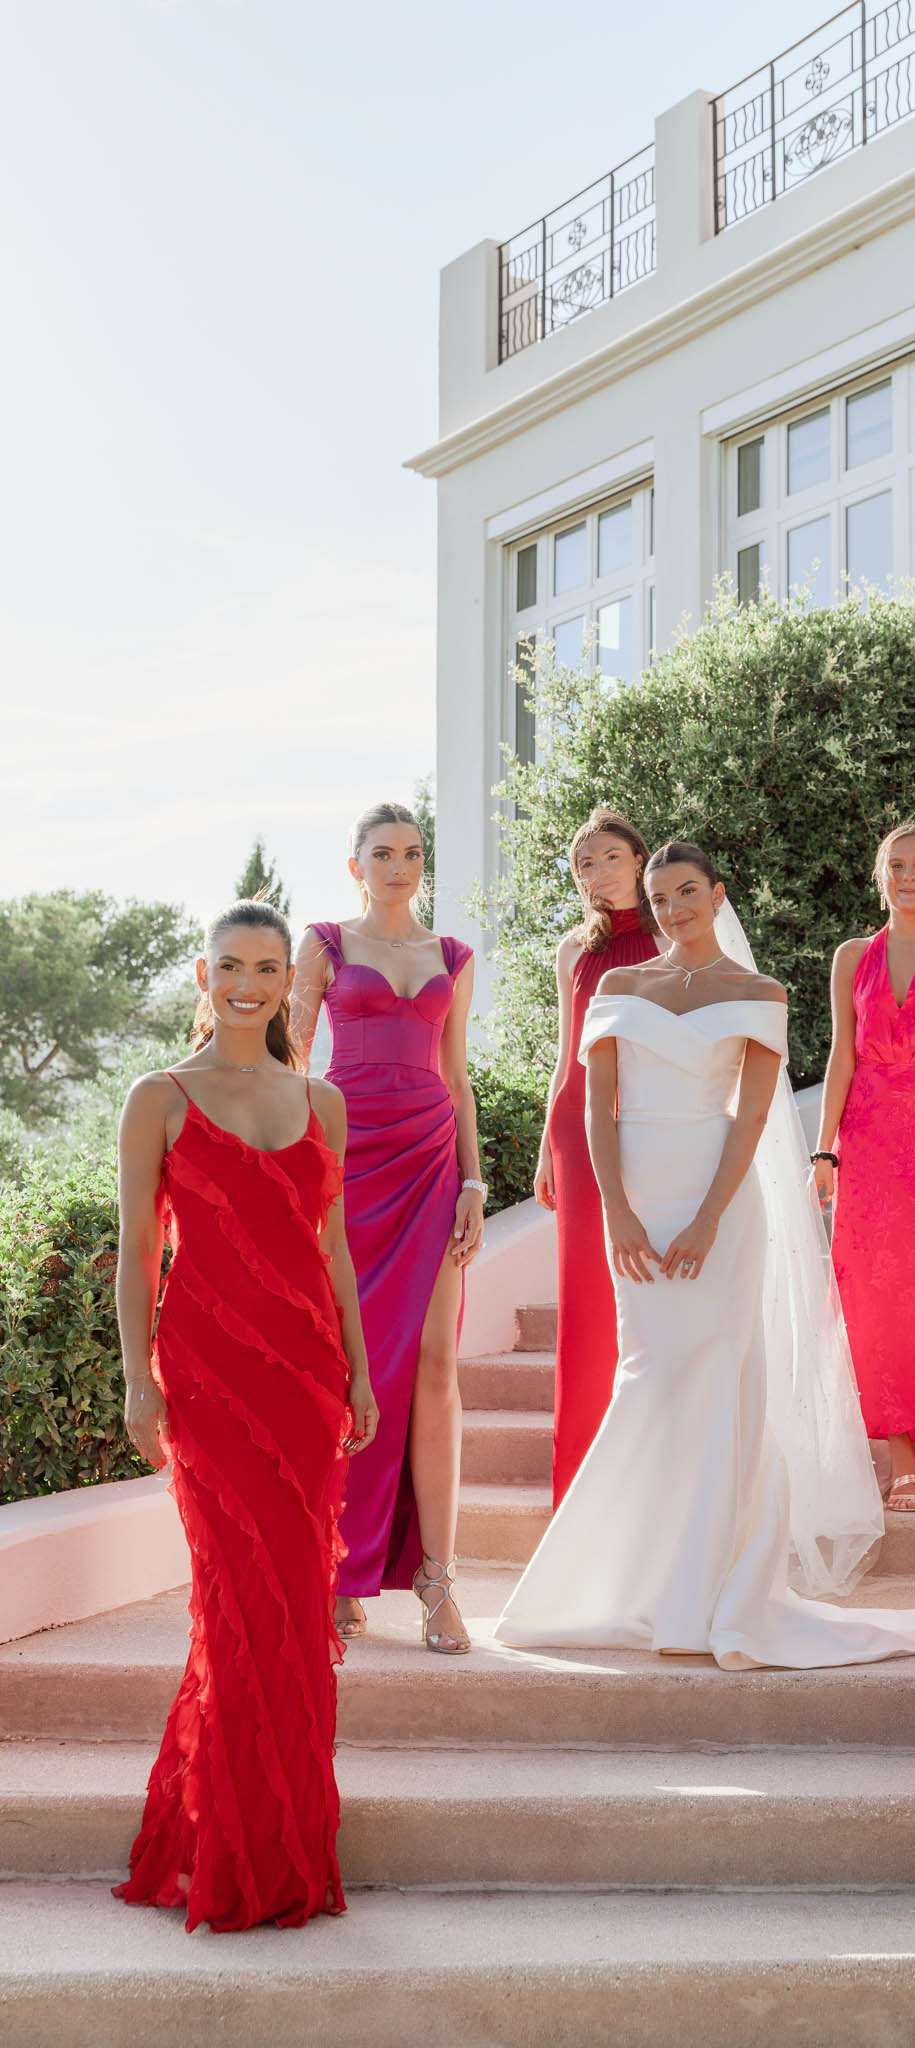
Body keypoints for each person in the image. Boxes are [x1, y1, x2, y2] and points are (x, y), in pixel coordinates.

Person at [495, 842, 915, 1669]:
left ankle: (708, 1588)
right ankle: (623, 1581)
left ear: (717, 894)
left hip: (720, 1205)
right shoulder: (620, 986)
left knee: (715, 1375)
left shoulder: (757, 992)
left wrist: (707, 1217)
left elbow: (747, 1120)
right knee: (651, 1376)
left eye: (687, 892)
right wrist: (619, 1213)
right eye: (660, 898)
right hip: (636, 1195)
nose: (672, 909)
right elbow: (600, 1110)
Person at [113, 900, 378, 1933]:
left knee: (295, 1610)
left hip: (306, 1381)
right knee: (235, 1603)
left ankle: (284, 1844)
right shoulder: (158, 1097)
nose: (248, 981)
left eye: (267, 966)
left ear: (286, 981)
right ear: (202, 971)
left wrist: (357, 1370)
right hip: (212, 1380)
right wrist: (139, 1379)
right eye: (231, 964)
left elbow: (336, 1248)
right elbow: (140, 1251)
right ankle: (229, 1849)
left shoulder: (323, 1098)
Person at [294, 800, 485, 1653]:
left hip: (432, 1165)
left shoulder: (450, 955)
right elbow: (289, 1060)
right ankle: (337, 1565)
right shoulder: (325, 944)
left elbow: (458, 1074)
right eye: (381, 853)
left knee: (437, 1363)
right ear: (355, 865)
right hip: (346, 1160)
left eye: (411, 852)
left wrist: (475, 1179)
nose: (398, 866)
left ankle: (438, 1579)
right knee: (342, 1363)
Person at [813, 822, 915, 1514]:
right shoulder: (853, 956)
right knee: (876, 1299)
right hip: (871, 1145)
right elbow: (841, 1056)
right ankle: (901, 1454)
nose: (908, 877)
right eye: (895, 866)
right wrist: (824, 1150)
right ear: (877, 877)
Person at [534, 807, 659, 1503]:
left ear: (638, 860)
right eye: (584, 863)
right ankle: (580, 1490)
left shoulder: (671, 935)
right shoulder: (570, 950)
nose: (597, 872)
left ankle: (647, 1479)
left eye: (609, 856)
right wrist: (548, 1151)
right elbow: (566, 1050)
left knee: (645, 1292)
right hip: (577, 1128)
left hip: (649, 1120)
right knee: (587, 1302)